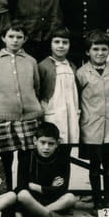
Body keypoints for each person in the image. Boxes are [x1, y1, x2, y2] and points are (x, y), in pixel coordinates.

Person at [0, 21, 43, 191]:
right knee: (6, 158)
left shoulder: (31, 61)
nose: (15, 40)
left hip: (29, 117)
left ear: (25, 39)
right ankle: (7, 193)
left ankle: (22, 191)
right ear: (3, 38)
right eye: (11, 36)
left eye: (19, 37)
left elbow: (37, 86)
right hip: (5, 117)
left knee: (26, 157)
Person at [76, 30, 109, 209]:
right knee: (95, 165)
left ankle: (108, 200)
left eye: (104, 49)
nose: (100, 53)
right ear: (87, 51)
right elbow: (77, 98)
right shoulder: (81, 73)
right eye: (95, 49)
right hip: (91, 126)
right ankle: (97, 201)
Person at [16, 122, 88, 217]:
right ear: (35, 141)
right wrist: (50, 187)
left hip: (53, 201)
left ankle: (35, 215)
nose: (46, 147)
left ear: (57, 143)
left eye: (51, 144)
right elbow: (21, 186)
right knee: (23, 195)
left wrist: (38, 187)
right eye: (43, 142)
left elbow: (62, 189)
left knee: (70, 198)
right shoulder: (27, 158)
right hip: (33, 200)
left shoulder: (62, 160)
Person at [38, 27, 80, 163]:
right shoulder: (43, 66)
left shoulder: (72, 66)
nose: (61, 46)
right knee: (51, 149)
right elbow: (39, 91)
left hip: (69, 115)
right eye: (56, 42)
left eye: (65, 42)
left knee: (66, 152)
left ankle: (64, 177)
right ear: (50, 44)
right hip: (53, 114)